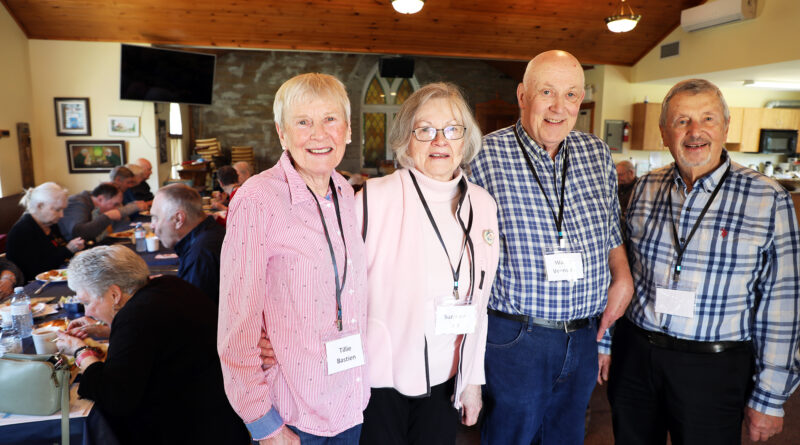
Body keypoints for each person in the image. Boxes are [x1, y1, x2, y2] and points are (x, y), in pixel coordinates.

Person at [607, 79, 800, 444]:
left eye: (707, 119)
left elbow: (783, 305)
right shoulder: (646, 187)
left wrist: (771, 397)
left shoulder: (767, 198)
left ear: (725, 127)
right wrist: (607, 344)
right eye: (681, 121)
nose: (695, 132)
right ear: (665, 133)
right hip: (637, 356)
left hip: (714, 367)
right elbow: (624, 273)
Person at [468, 49, 633, 444]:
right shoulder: (482, 154)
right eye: (547, 92)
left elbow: (610, 231)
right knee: (511, 436)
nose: (559, 107)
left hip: (583, 334)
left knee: (567, 436)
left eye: (572, 95)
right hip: (516, 337)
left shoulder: (596, 154)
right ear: (523, 96)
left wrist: (622, 275)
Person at [218, 73, 368, 444]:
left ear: (347, 129)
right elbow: (237, 327)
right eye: (303, 122)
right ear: (282, 133)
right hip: (292, 415)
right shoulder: (257, 200)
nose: (319, 134)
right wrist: (264, 425)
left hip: (348, 403)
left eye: (330, 119)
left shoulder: (345, 192)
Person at [355, 83, 499, 444]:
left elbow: (479, 306)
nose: (440, 141)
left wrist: (472, 383)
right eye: (425, 130)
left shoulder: (483, 205)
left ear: (465, 141)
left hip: (446, 382)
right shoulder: (373, 198)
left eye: (452, 129)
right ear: (405, 140)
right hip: (378, 382)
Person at [55, 245, 250, 445]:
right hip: (220, 412)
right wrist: (107, 331)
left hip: (188, 428)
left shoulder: (136, 317)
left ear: (114, 294)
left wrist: (80, 351)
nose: (87, 313)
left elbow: (115, 396)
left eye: (86, 302)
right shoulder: (169, 285)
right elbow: (156, 338)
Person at [150, 183, 225, 304]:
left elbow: (191, 313)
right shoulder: (210, 233)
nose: (152, 226)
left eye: (155, 218)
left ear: (179, 219)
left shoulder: (200, 254)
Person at [6, 182, 85, 281]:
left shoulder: (51, 224)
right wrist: (68, 250)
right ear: (40, 206)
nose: (62, 215)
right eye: (57, 210)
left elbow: (59, 251)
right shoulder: (22, 231)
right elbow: (36, 270)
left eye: (63, 210)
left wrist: (73, 248)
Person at [58, 183, 123, 242]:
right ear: (100, 199)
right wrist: (107, 216)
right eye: (115, 204)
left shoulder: (90, 202)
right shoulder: (78, 203)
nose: (116, 209)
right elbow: (80, 234)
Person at [109, 166, 148, 231]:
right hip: (118, 231)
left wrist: (133, 204)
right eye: (128, 182)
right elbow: (115, 213)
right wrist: (135, 206)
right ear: (118, 180)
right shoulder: (108, 193)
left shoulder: (121, 191)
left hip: (126, 227)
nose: (130, 185)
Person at [616, 160, 637, 227]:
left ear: (631, 173)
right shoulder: (618, 187)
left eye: (620, 175)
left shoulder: (640, 187)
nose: (618, 178)